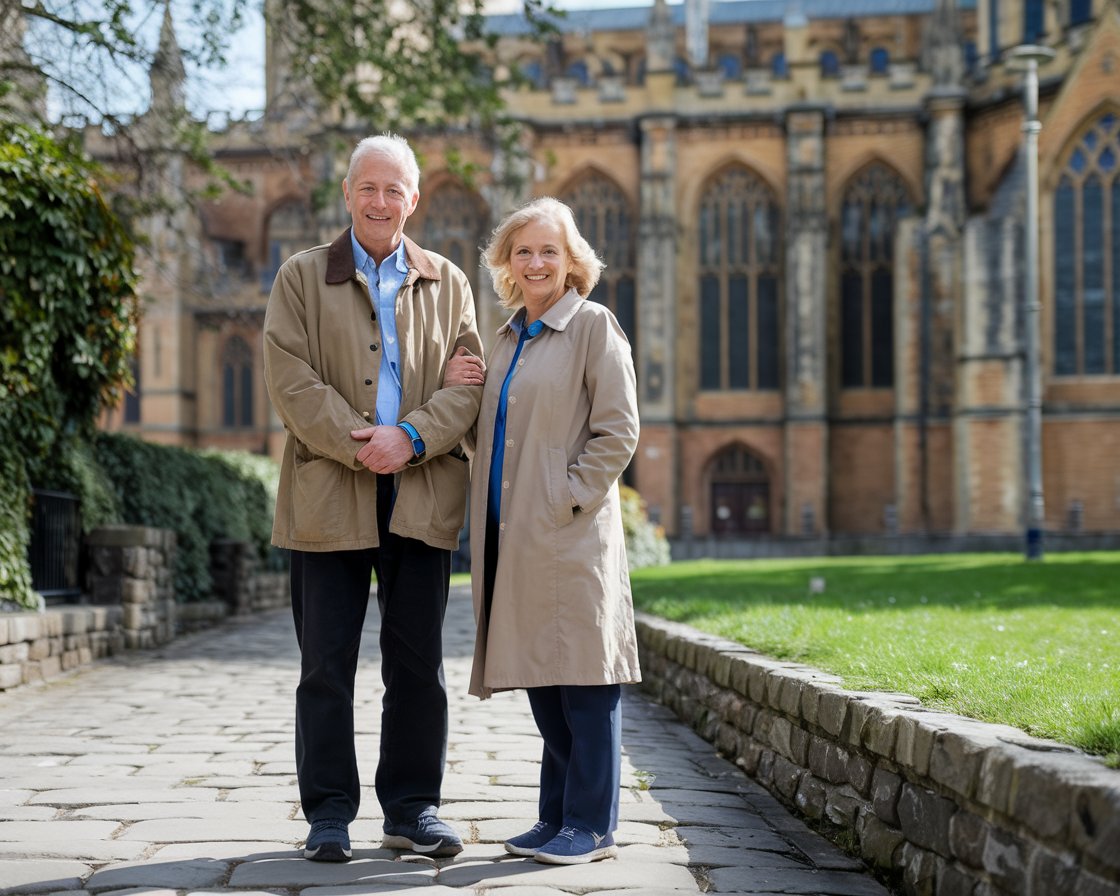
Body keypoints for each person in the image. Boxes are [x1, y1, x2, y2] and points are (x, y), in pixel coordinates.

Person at [263, 133, 484, 863]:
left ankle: (413, 809)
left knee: (417, 665)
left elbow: (468, 388)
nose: (381, 201)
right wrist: (368, 440)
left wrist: (412, 438)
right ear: (348, 194)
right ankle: (328, 814)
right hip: (328, 493)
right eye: (369, 188)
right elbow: (290, 380)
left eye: (396, 190)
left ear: (414, 200)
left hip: (421, 494)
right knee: (325, 663)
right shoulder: (299, 277)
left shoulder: (450, 282)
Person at [462, 196, 642, 865]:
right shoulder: (507, 338)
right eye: (523, 251)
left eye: (549, 251)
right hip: (515, 535)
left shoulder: (594, 326)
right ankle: (556, 816)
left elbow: (618, 429)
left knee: (586, 684)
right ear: (507, 263)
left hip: (568, 532)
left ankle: (592, 825)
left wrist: (565, 497)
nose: (536, 262)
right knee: (544, 678)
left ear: (572, 262)